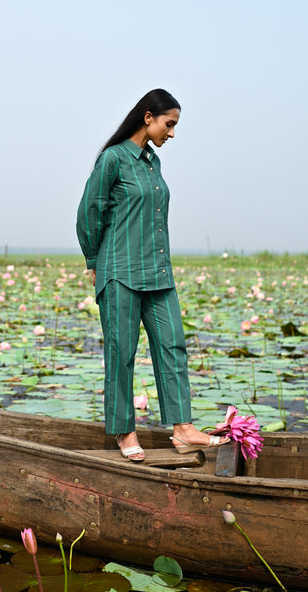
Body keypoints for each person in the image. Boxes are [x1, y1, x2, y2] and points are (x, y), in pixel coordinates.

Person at [76, 89, 228, 462]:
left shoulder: (152, 163)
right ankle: (125, 432)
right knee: (121, 353)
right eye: (169, 124)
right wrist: (95, 260)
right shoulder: (113, 159)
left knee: (173, 345)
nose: (171, 133)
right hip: (120, 272)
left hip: (158, 273)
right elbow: (88, 213)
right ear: (148, 118)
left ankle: (182, 429)